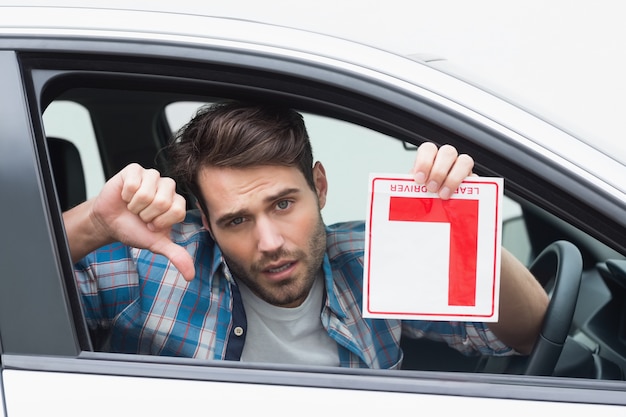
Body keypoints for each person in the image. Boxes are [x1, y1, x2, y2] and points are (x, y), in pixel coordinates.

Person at [63, 101, 548, 368]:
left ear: (318, 185)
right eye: (237, 220)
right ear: (205, 223)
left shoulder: (373, 259)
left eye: (283, 203)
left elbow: (530, 333)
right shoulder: (148, 267)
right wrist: (93, 225)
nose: (270, 241)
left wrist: (467, 226)